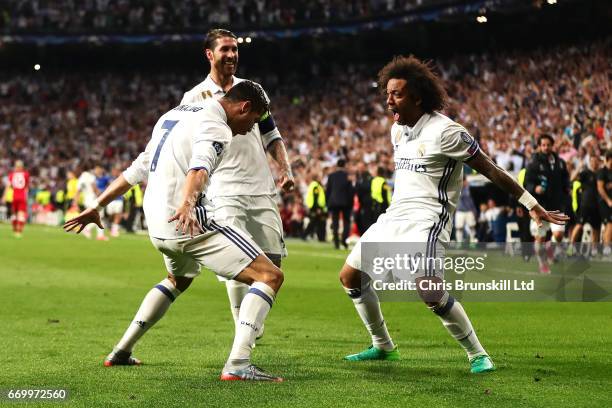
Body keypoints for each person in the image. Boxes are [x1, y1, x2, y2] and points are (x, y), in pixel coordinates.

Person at [339, 56, 568, 373]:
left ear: (417, 97)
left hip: (428, 221)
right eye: (387, 93)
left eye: (397, 94)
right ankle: (383, 346)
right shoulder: (397, 131)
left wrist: (531, 203)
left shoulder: (447, 132)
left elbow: (491, 169)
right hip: (394, 217)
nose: (388, 100)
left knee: (429, 288)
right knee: (350, 276)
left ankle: (478, 354)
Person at [64, 81, 284, 382]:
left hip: (156, 224)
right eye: (253, 121)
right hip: (187, 222)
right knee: (270, 275)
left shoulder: (174, 115)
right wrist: (189, 203)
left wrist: (97, 205)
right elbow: (200, 168)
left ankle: (121, 350)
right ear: (244, 107)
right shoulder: (217, 126)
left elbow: (138, 168)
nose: (250, 130)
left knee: (177, 279)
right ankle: (238, 363)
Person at [181, 29, 293, 339]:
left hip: (261, 189)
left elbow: (271, 134)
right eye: (225, 49)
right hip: (224, 189)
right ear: (210, 54)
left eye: (234, 49)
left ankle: (252, 322)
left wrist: (285, 169)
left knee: (273, 262)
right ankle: (242, 330)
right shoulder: (194, 97)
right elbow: (189, 147)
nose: (231, 54)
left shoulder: (253, 90)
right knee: (236, 260)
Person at [524, 134, 570, 272]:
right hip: (540, 206)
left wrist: (567, 187)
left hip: (557, 204)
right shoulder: (533, 163)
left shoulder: (560, 162)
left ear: (552, 145)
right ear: (539, 146)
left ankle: (550, 249)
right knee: (540, 238)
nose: (546, 147)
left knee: (559, 235)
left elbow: (565, 177)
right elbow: (526, 183)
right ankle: (542, 264)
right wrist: (534, 188)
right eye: (543, 145)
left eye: (548, 145)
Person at [569, 155, 602, 256]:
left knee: (596, 228)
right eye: (592, 161)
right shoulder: (586, 173)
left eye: (596, 161)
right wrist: (579, 167)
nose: (594, 163)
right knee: (579, 225)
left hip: (597, 205)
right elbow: (572, 178)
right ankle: (571, 246)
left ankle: (594, 250)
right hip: (585, 204)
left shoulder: (601, 174)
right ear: (590, 162)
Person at [326, 158, 354, 249]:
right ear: (344, 165)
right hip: (346, 203)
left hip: (334, 202)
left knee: (335, 223)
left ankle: (336, 243)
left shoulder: (331, 176)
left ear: (337, 165)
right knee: (346, 222)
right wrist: (351, 203)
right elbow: (351, 191)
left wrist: (328, 203)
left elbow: (328, 191)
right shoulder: (348, 176)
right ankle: (344, 240)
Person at [7, 160, 30, 238]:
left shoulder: (12, 174)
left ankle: (14, 229)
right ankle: (19, 231)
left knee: (14, 213)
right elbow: (27, 187)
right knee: (21, 213)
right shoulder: (26, 174)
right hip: (22, 196)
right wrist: (27, 196)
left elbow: (9, 186)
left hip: (14, 195)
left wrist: (4, 196)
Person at [597, 149, 612, 256]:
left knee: (609, 225)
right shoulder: (602, 172)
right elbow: (600, 188)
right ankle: (606, 249)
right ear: (607, 160)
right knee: (610, 223)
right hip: (604, 203)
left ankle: (606, 248)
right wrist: (608, 201)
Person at [454, 178, 477, 244]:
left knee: (472, 226)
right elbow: (461, 196)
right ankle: (459, 243)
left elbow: (471, 200)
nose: (466, 182)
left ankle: (473, 243)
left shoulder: (469, 189)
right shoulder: (458, 188)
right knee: (459, 228)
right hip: (460, 211)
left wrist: (474, 210)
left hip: (469, 211)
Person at [354, 163, 374, 234]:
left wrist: (359, 186)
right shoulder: (359, 177)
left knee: (366, 221)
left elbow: (368, 187)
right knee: (358, 220)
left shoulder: (368, 177)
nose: (359, 169)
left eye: (361, 167)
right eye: (358, 167)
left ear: (365, 168)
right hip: (360, 203)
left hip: (367, 203)